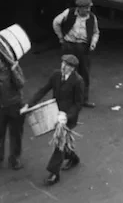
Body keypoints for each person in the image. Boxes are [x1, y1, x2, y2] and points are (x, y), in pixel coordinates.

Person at [29, 54, 88, 186]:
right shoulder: (56, 75)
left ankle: (54, 173)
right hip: (54, 113)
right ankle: (73, 158)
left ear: (72, 68)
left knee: (60, 142)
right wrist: (30, 104)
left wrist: (66, 116)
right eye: (62, 63)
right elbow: (43, 90)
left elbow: (78, 104)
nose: (63, 66)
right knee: (63, 141)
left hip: (67, 117)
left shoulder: (78, 81)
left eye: (66, 65)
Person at [52, 0, 99, 108]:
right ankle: (65, 100)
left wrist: (93, 42)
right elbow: (56, 23)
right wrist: (60, 37)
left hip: (83, 48)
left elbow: (96, 32)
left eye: (89, 7)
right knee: (67, 73)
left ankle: (83, 100)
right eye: (86, 8)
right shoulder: (69, 13)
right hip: (69, 46)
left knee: (84, 74)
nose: (88, 10)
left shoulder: (92, 17)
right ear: (79, 8)